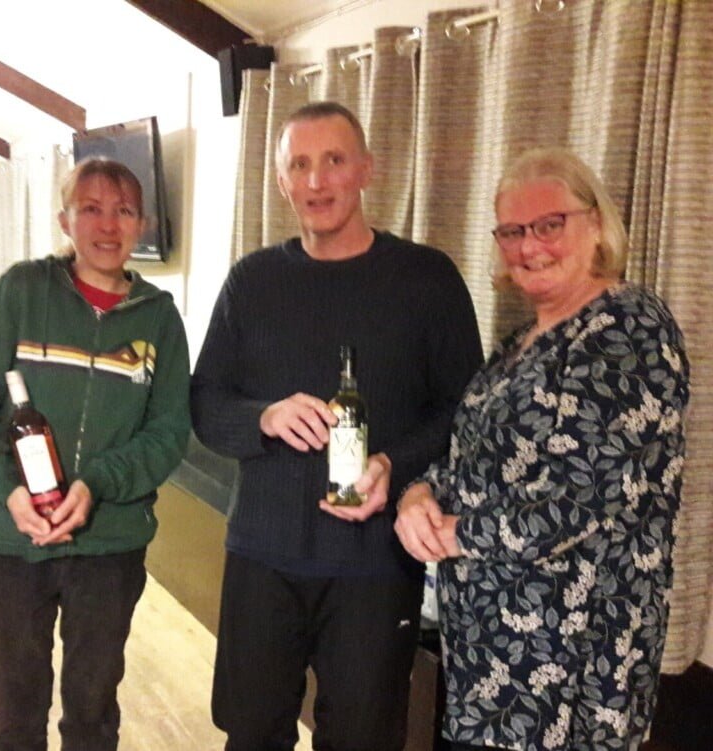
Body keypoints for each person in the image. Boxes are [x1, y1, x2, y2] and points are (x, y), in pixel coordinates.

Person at [190, 101, 483, 750]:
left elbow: (464, 409)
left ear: (366, 171)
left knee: (361, 738)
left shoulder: (426, 279)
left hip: (374, 564)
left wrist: (392, 465)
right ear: (281, 181)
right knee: (251, 731)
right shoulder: (253, 281)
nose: (317, 180)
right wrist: (262, 416)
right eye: (300, 164)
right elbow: (205, 401)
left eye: (334, 160)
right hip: (261, 553)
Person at [394, 147, 690, 750]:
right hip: (486, 666)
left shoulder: (629, 327)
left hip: (570, 671)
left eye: (550, 224)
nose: (531, 245)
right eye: (513, 231)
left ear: (597, 224)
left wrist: (453, 535)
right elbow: (467, 456)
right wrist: (417, 492)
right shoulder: (518, 344)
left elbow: (581, 497)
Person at [0, 157, 191, 750]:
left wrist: (95, 486)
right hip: (10, 542)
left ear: (143, 224)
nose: (108, 225)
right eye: (91, 209)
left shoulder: (159, 319)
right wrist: (9, 492)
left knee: (92, 710)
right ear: (65, 219)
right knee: (15, 709)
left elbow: (167, 432)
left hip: (108, 542)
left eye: (124, 210)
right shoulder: (21, 292)